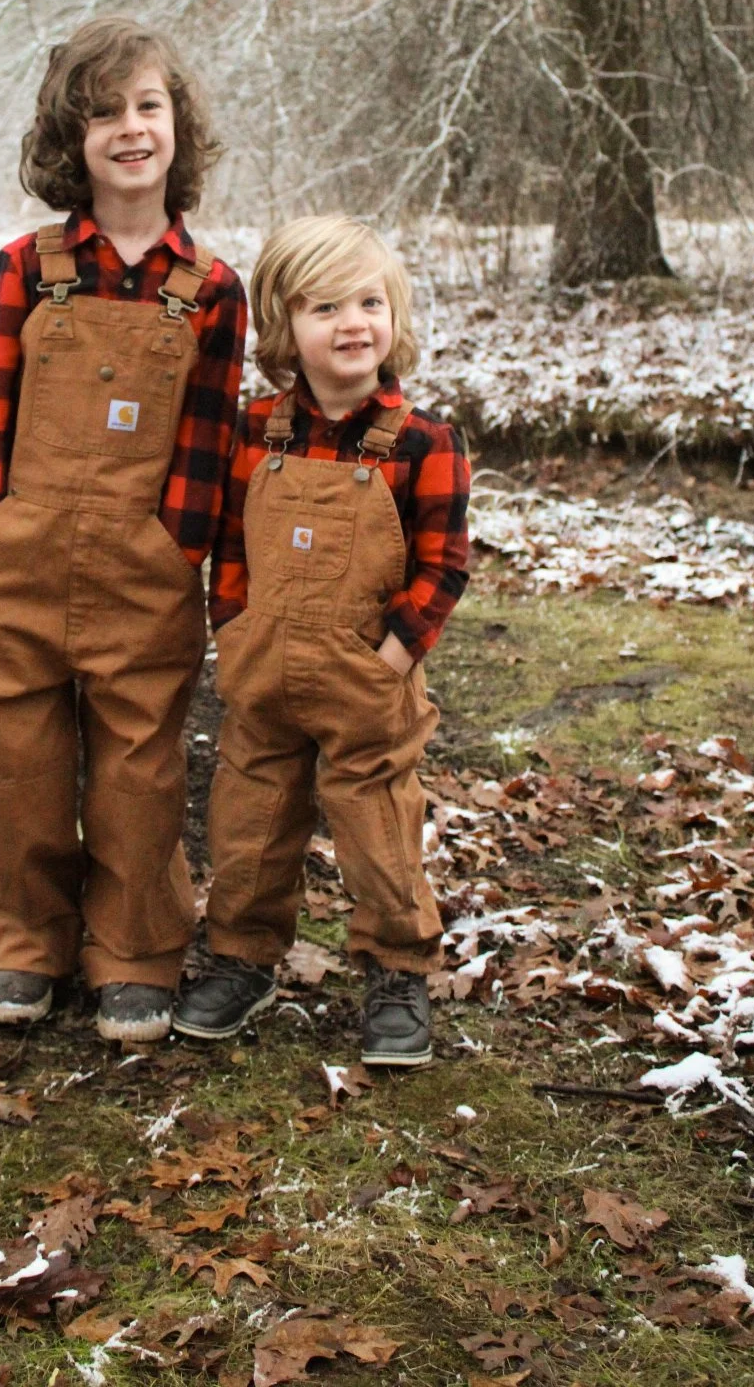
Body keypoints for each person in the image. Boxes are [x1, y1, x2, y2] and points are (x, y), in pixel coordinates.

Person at [0, 18, 246, 1043]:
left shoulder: (208, 289)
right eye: (103, 111)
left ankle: (133, 951)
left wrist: (177, 543)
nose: (129, 128)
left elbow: (207, 434)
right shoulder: (23, 270)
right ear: (68, 137)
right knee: (7, 758)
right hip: (15, 553)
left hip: (142, 559)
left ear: (176, 126)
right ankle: (26, 938)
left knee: (137, 767)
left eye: (147, 106)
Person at [172, 214, 469, 1065]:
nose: (352, 323)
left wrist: (395, 658)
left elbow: (444, 566)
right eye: (325, 305)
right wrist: (234, 624)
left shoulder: (421, 443)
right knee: (248, 823)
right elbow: (230, 547)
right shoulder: (256, 430)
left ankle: (398, 969)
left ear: (395, 315)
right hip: (264, 670)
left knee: (377, 827)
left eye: (370, 302)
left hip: (366, 678)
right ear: (284, 329)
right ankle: (242, 958)